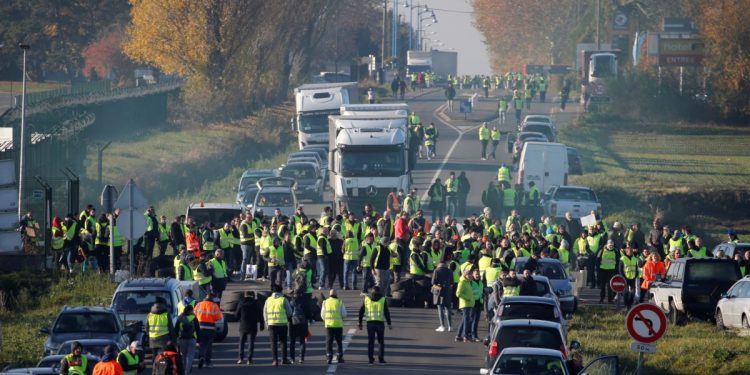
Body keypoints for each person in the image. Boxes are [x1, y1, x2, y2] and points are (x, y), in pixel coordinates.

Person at [358, 285, 391, 365]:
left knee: (371, 342)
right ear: (379, 291)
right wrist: (389, 323)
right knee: (380, 342)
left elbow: (361, 311)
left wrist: (360, 323)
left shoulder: (366, 299)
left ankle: (370, 359)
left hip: (370, 323)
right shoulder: (383, 299)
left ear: (372, 291)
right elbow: (386, 312)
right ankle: (381, 359)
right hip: (380, 323)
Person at [264, 285, 292, 366]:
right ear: (281, 291)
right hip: (282, 324)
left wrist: (267, 323)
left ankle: (275, 360)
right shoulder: (283, 299)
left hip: (271, 324)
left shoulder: (268, 300)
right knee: (283, 342)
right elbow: (289, 312)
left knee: (273, 343)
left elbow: (264, 313)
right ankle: (284, 359)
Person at [193, 293, 222, 368]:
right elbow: (218, 317)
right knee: (209, 345)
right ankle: (207, 362)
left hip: (200, 327)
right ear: (212, 299)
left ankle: (201, 357)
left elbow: (194, 314)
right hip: (211, 327)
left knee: (201, 344)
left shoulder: (199, 304)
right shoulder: (214, 306)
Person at [236, 291, 264, 365]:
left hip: (243, 325)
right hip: (252, 326)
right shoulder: (255, 303)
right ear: (253, 295)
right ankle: (249, 359)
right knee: (251, 343)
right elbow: (260, 314)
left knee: (241, 342)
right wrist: (262, 324)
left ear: (245, 295)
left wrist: (239, 319)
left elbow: (237, 314)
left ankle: (240, 358)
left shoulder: (241, 302)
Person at [321, 289, 347, 364]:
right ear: (336, 294)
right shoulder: (339, 302)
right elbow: (344, 314)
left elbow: (322, 315)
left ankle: (329, 357)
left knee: (329, 342)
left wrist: (326, 320)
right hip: (338, 325)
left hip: (329, 325)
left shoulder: (325, 302)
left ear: (329, 295)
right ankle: (339, 357)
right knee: (339, 342)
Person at [174, 305, 199, 375]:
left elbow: (176, 329)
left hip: (182, 339)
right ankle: (187, 372)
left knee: (184, 356)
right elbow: (198, 329)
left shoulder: (180, 318)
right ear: (190, 311)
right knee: (190, 356)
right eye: (192, 310)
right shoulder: (193, 317)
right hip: (192, 339)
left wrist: (175, 339)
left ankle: (185, 370)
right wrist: (199, 339)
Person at [432, 258, 454, 332]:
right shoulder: (449, 271)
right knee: (448, 309)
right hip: (448, 291)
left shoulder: (436, 271)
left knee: (440, 309)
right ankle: (450, 326)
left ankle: (442, 326)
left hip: (439, 292)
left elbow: (433, 282)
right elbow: (452, 283)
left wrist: (438, 287)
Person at [455, 270, 475, 342]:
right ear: (465, 275)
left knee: (464, 320)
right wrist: (467, 298)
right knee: (467, 320)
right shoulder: (462, 282)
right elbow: (458, 293)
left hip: (469, 304)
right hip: (465, 304)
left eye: (470, 274)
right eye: (468, 274)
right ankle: (465, 336)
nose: (470, 276)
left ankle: (458, 335)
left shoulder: (468, 282)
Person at [289, 293, 309, 364]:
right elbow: (308, 313)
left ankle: (292, 358)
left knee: (292, 342)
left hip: (293, 324)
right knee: (302, 342)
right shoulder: (304, 302)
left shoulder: (291, 303)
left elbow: (289, 313)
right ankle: (301, 358)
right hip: (303, 324)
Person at [598, 240, 618, 304]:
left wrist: (616, 270)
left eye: (612, 245)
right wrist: (598, 269)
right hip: (602, 270)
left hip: (611, 270)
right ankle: (601, 299)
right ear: (607, 245)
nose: (610, 247)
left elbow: (617, 260)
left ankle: (610, 299)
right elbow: (597, 259)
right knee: (602, 286)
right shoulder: (602, 250)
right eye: (609, 245)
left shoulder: (615, 251)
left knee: (610, 286)